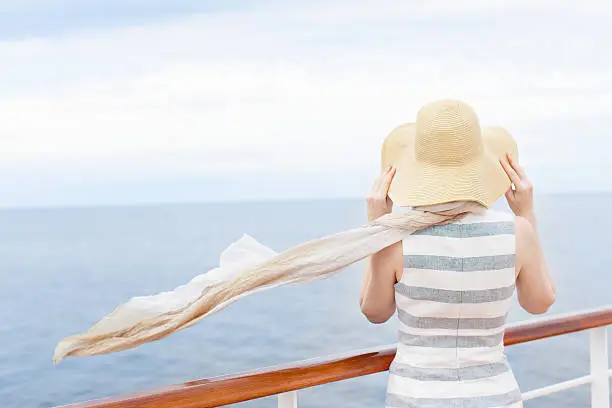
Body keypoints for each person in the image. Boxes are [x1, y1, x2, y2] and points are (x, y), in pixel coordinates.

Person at [360, 100, 556, 407]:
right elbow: (539, 302)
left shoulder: (398, 239)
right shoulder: (517, 232)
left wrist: (378, 227)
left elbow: (374, 311)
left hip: (415, 399)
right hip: (496, 397)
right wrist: (527, 214)